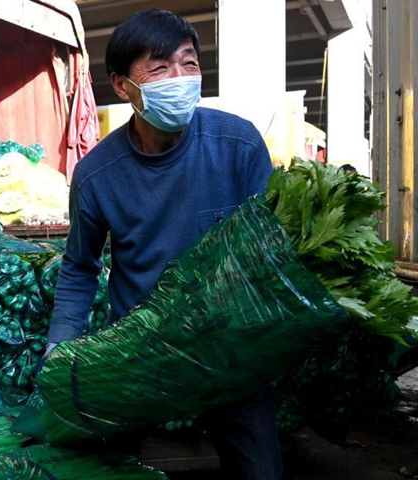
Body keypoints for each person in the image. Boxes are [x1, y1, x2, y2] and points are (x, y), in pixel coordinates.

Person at [44, 9, 282, 480]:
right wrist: (59, 346)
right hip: (141, 349)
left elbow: (274, 250)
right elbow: (79, 268)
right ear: (122, 86)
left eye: (188, 64)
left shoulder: (239, 145)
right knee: (98, 463)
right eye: (159, 68)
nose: (180, 78)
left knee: (260, 471)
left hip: (228, 351)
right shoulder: (97, 176)